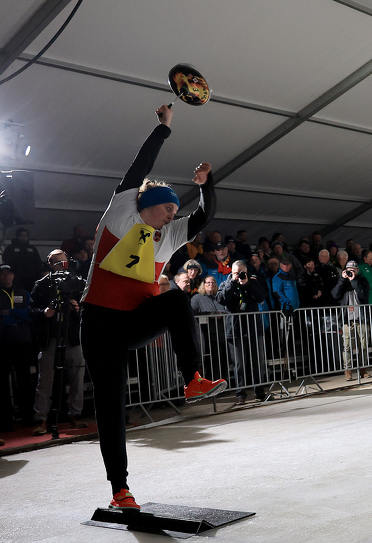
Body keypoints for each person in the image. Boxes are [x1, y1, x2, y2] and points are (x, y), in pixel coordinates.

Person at [79, 104, 226, 512]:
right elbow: (137, 168)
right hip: (99, 324)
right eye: (167, 210)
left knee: (176, 299)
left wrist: (207, 185)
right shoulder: (121, 213)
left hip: (132, 321)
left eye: (174, 214)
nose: (171, 218)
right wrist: (162, 129)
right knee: (111, 407)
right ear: (150, 205)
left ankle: (193, 377)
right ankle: (120, 489)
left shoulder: (168, 234)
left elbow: (205, 214)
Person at [29, 250, 88, 435]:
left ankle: (75, 415)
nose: (62, 266)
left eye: (64, 262)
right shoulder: (42, 285)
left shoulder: (77, 282)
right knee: (45, 380)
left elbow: (89, 305)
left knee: (77, 377)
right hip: (50, 339)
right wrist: (44, 312)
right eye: (57, 263)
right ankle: (41, 419)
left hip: (72, 338)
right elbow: (31, 309)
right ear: (50, 264)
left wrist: (79, 308)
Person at [216, 260, 268, 404]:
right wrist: (233, 283)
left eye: (240, 272)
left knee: (257, 361)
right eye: (235, 273)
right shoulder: (225, 283)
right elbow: (221, 299)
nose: (238, 275)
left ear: (245, 271)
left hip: (253, 327)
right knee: (239, 364)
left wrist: (247, 284)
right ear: (231, 272)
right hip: (235, 329)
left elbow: (261, 296)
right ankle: (241, 394)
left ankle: (260, 391)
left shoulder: (252, 281)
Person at [0, 264, 38, 433]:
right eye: (3, 274)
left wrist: (11, 312)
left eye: (9, 274)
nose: (7, 277)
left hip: (23, 343)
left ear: (13, 275)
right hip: (3, 344)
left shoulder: (23, 293)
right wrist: (16, 315)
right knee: (3, 385)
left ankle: (28, 418)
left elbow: (30, 315)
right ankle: (6, 421)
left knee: (24, 382)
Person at [331, 261, 370, 381]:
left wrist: (354, 280)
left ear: (357, 270)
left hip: (361, 318)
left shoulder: (363, 281)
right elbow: (335, 295)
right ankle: (347, 371)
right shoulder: (342, 282)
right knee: (347, 346)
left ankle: (363, 370)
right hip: (347, 319)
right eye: (348, 269)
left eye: (353, 269)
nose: (350, 271)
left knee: (362, 345)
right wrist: (342, 280)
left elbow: (363, 296)